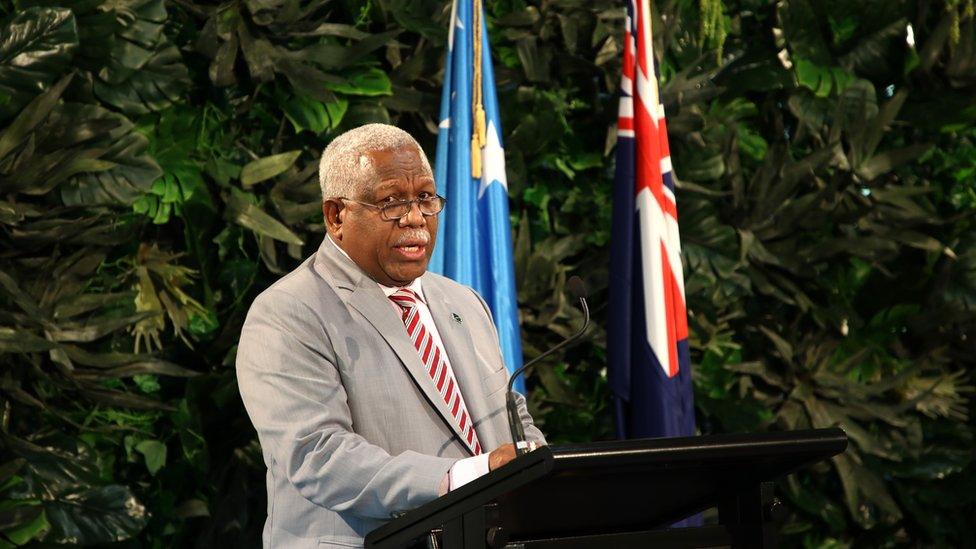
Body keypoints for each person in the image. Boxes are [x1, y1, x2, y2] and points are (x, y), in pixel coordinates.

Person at [236, 123, 545, 548]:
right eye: (391, 202)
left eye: (424, 198)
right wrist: (468, 475)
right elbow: (318, 456)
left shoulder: (463, 302)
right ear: (336, 216)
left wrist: (544, 472)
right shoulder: (289, 312)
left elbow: (514, 419)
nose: (416, 218)